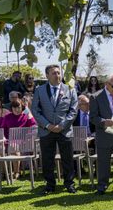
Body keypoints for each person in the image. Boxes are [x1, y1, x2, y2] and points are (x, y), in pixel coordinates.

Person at [32, 64, 78, 194]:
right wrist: (47, 125)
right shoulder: (39, 90)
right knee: (47, 159)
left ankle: (69, 184)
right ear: (47, 75)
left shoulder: (70, 89)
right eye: (54, 73)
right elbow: (35, 110)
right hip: (46, 131)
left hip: (64, 130)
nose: (57, 75)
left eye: (58, 73)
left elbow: (73, 110)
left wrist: (62, 125)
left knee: (67, 159)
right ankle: (50, 185)